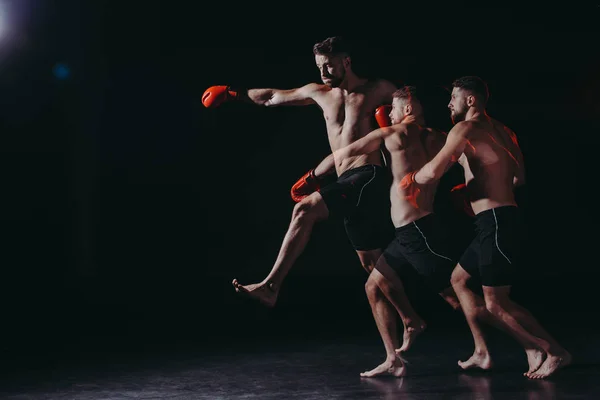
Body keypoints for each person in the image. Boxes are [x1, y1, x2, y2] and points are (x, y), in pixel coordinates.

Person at [202, 36, 398, 307]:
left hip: (368, 175)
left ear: (347, 62)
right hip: (346, 180)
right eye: (319, 67)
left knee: (304, 210)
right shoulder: (319, 93)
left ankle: (270, 286)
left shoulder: (377, 89)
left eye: (329, 66)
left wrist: (396, 119)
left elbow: (413, 113)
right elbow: (272, 97)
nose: (323, 72)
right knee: (372, 265)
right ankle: (412, 319)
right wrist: (231, 93)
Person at [400, 76, 571, 379]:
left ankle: (553, 350)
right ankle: (482, 352)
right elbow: (519, 179)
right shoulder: (505, 131)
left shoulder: (464, 128)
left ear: (471, 100)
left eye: (453, 97)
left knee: (495, 303)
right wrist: (478, 188)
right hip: (498, 219)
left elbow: (434, 171)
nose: (448, 103)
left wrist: (411, 179)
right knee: (459, 280)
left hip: (494, 221)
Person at [333, 86, 496, 377]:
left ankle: (514, 340)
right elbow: (467, 160)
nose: (388, 114)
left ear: (407, 109)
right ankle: (394, 356)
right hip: (405, 234)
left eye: (393, 109)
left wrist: (313, 178)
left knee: (456, 297)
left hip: (420, 232)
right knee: (373, 287)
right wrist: (467, 184)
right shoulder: (439, 139)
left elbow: (345, 152)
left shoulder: (397, 136)